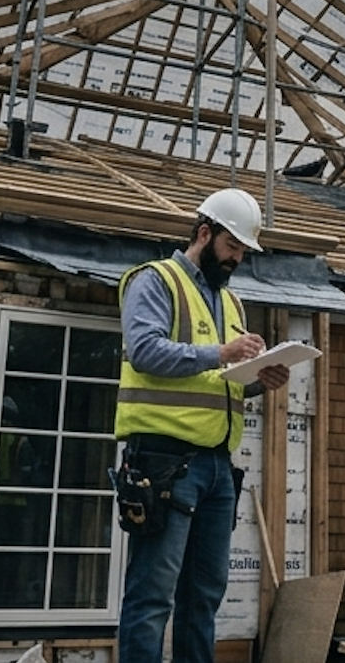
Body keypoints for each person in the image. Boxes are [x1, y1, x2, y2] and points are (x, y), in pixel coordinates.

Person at [115, 186, 289, 663]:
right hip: (164, 461)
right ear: (204, 233)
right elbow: (146, 351)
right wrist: (223, 353)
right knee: (152, 595)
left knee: (204, 597)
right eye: (232, 247)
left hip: (215, 468)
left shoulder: (229, 302)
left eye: (243, 252)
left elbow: (218, 381)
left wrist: (258, 380)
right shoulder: (156, 280)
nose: (236, 259)